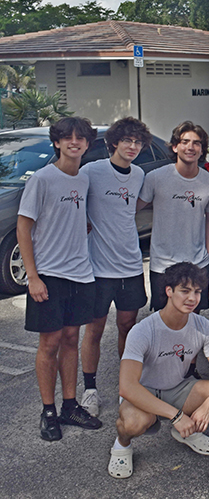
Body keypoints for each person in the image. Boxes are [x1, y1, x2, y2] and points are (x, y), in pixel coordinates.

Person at [108, 263, 209, 479]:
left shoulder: (203, 326)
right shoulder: (143, 331)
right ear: (169, 291)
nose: (192, 298)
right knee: (133, 423)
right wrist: (176, 416)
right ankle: (122, 445)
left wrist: (207, 407)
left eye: (197, 292)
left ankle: (188, 432)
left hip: (178, 388)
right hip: (145, 393)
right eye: (185, 291)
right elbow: (127, 387)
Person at [18, 117, 101, 441]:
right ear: (57, 142)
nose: (74, 142)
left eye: (80, 138)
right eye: (67, 137)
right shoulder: (42, 179)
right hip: (49, 276)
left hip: (81, 274)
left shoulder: (83, 179)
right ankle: (48, 410)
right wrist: (33, 277)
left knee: (70, 340)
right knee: (49, 343)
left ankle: (70, 404)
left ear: (87, 144)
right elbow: (24, 228)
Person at [79, 117, 151, 417]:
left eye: (137, 142)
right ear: (113, 143)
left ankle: (127, 387)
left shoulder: (138, 175)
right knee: (94, 329)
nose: (132, 147)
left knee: (127, 327)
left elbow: (133, 209)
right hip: (97, 269)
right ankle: (90, 390)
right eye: (127, 141)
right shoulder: (91, 172)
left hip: (131, 266)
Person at [139, 122, 209, 314]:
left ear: (202, 150)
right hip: (163, 264)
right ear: (175, 146)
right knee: (164, 318)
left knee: (193, 316)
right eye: (184, 142)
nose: (190, 147)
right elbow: (131, 209)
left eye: (196, 143)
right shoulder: (155, 178)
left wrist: (208, 250)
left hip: (197, 262)